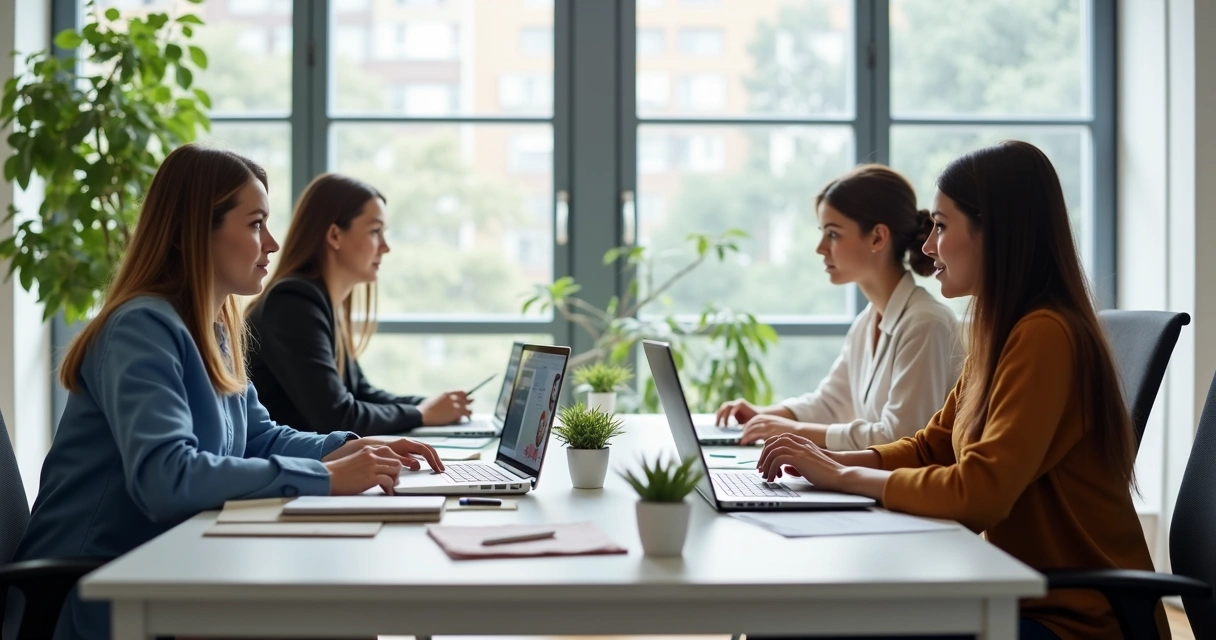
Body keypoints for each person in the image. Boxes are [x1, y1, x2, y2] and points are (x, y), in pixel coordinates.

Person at [13, 145, 443, 640]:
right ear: (196, 232)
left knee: (344, 610)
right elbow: (167, 476)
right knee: (338, 616)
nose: (274, 244)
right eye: (256, 224)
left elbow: (259, 436)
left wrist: (348, 447)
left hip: (171, 566)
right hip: (96, 592)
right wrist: (325, 477)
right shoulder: (141, 328)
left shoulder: (212, 329)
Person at [754, 141, 1164, 640]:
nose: (928, 247)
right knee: (797, 622)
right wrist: (830, 463)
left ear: (996, 232)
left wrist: (843, 476)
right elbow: (932, 446)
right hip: (1014, 594)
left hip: (1069, 619)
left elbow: (978, 493)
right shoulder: (1001, 332)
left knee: (801, 625)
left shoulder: (1045, 335)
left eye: (943, 227)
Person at [716, 164, 961, 451]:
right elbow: (831, 403)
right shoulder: (867, 321)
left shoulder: (925, 323)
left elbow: (902, 438)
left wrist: (793, 430)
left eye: (832, 234)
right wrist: (764, 416)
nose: (820, 247)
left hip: (901, 492)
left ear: (878, 238)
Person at [246, 173, 472, 437]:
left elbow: (361, 392)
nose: (385, 247)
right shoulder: (293, 303)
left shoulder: (321, 302)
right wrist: (423, 414)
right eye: (375, 232)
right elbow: (338, 415)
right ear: (334, 236)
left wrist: (430, 406)